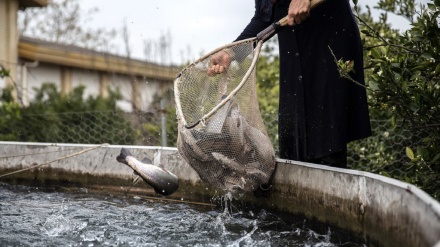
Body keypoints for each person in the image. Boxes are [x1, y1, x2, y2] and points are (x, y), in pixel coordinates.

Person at [209, 0, 371, 168]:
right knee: (293, 139)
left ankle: (330, 187)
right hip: (294, 51)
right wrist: (232, 51)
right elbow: (264, 17)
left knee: (326, 138)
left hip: (328, 41)